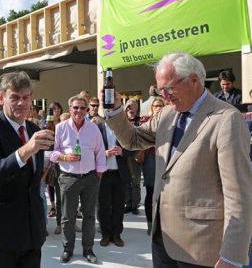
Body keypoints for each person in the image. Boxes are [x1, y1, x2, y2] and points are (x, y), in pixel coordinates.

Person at [105, 52, 252, 267]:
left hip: (201, 246)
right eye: (160, 90)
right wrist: (116, 109)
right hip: (163, 238)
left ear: (194, 79)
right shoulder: (166, 114)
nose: (164, 95)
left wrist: (232, 255)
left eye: (169, 88)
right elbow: (132, 139)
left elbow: (239, 193)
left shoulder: (226, 119)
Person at [0, 71, 54, 268]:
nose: (21, 103)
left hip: (31, 233)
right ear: (2, 98)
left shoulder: (34, 131)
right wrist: (27, 149)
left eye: (26, 97)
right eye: (15, 98)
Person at [50, 94, 106, 264]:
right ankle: (68, 250)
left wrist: (98, 175)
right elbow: (52, 153)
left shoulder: (93, 128)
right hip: (68, 177)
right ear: (70, 109)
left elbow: (100, 153)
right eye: (75, 107)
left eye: (82, 108)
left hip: (90, 178)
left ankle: (88, 249)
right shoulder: (60, 128)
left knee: (89, 216)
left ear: (86, 109)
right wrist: (65, 158)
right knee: (68, 217)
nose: (79, 111)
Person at [94, 116, 130, 248]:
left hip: (119, 174)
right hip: (103, 174)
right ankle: (105, 234)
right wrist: (103, 153)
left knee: (118, 206)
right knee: (103, 206)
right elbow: (91, 150)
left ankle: (116, 235)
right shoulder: (97, 129)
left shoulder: (125, 130)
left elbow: (134, 148)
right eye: (107, 112)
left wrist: (123, 151)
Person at [139, 97, 166, 235]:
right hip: (151, 158)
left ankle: (162, 224)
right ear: (152, 107)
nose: (158, 108)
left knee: (165, 193)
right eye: (156, 105)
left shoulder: (170, 121)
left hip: (167, 159)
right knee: (151, 191)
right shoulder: (146, 121)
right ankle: (150, 223)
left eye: (161, 105)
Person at [40, 101, 63, 234]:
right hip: (44, 160)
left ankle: (61, 222)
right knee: (42, 192)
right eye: (52, 109)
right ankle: (43, 223)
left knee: (61, 193)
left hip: (59, 161)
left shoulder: (65, 123)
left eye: (57, 108)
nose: (55, 111)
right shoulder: (44, 123)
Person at [123, 98, 142, 215]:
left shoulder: (140, 121)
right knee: (126, 180)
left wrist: (140, 152)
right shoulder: (122, 121)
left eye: (133, 106)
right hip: (124, 154)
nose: (131, 108)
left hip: (135, 154)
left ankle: (135, 205)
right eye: (129, 106)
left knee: (135, 181)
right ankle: (128, 203)